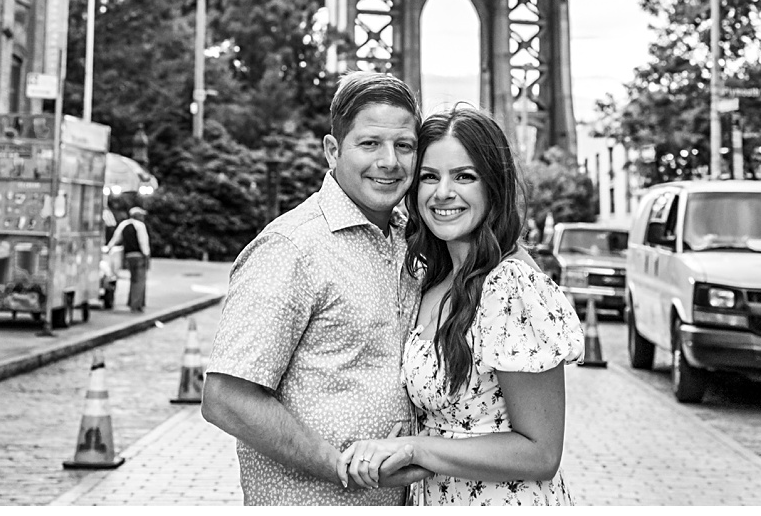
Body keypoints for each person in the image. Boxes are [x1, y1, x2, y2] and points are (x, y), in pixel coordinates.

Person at [338, 106, 582, 504]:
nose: (443, 193)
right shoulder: (431, 279)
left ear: (493, 187)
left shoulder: (510, 285)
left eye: (464, 176)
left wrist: (416, 448)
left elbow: (541, 454)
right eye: (429, 177)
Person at [203, 71, 428, 505]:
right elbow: (226, 398)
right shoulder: (291, 248)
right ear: (333, 150)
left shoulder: (411, 243)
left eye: (404, 146)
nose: (389, 162)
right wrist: (339, 468)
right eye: (370, 143)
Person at [109, 206, 152, 312]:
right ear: (138, 216)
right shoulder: (140, 226)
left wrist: (109, 248)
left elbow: (116, 238)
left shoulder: (124, 224)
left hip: (128, 256)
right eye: (141, 215)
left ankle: (131, 301)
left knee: (133, 278)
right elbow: (143, 241)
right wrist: (146, 254)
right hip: (139, 255)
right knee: (139, 280)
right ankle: (136, 304)